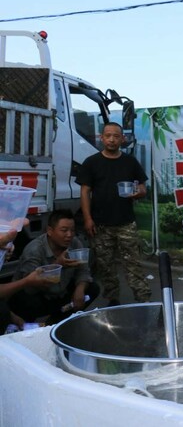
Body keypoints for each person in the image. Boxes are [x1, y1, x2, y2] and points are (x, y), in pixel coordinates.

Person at [77, 122, 151, 307]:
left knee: (133, 264)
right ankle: (113, 301)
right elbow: (85, 191)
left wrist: (139, 192)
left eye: (116, 136)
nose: (111, 139)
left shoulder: (130, 162)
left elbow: (142, 186)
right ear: (101, 138)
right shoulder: (91, 162)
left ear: (122, 139)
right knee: (105, 265)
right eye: (108, 135)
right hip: (100, 224)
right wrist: (87, 219)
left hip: (126, 222)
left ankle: (143, 300)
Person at [8, 209, 99, 325]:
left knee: (92, 289)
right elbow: (29, 287)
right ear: (50, 231)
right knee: (26, 302)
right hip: (38, 295)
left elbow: (84, 272)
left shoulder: (75, 243)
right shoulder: (34, 250)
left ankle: (57, 322)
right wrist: (57, 265)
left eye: (72, 230)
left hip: (60, 293)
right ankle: (26, 328)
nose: (69, 235)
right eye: (64, 230)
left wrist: (80, 290)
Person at [0, 222, 57, 331]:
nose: (69, 235)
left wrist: (13, 318)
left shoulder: (73, 244)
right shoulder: (35, 249)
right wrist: (27, 281)